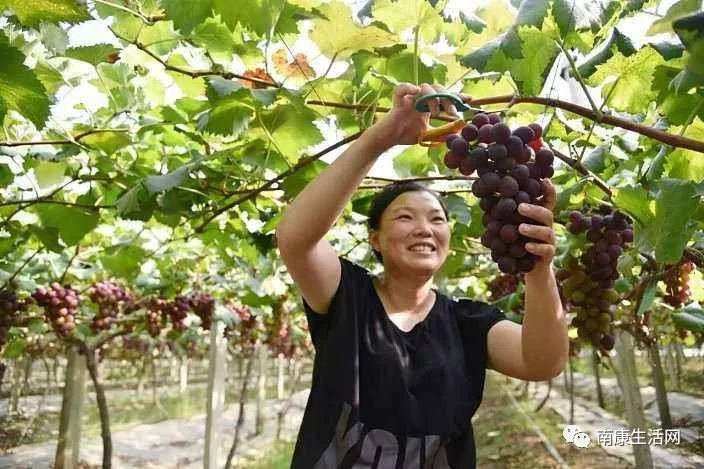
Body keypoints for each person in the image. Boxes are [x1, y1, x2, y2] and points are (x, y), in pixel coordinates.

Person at [275, 83, 568, 469]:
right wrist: (383, 137)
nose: (424, 229)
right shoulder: (349, 296)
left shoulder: (467, 323)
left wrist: (538, 267)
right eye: (405, 217)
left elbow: (542, 362)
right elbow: (295, 237)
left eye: (436, 219)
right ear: (375, 239)